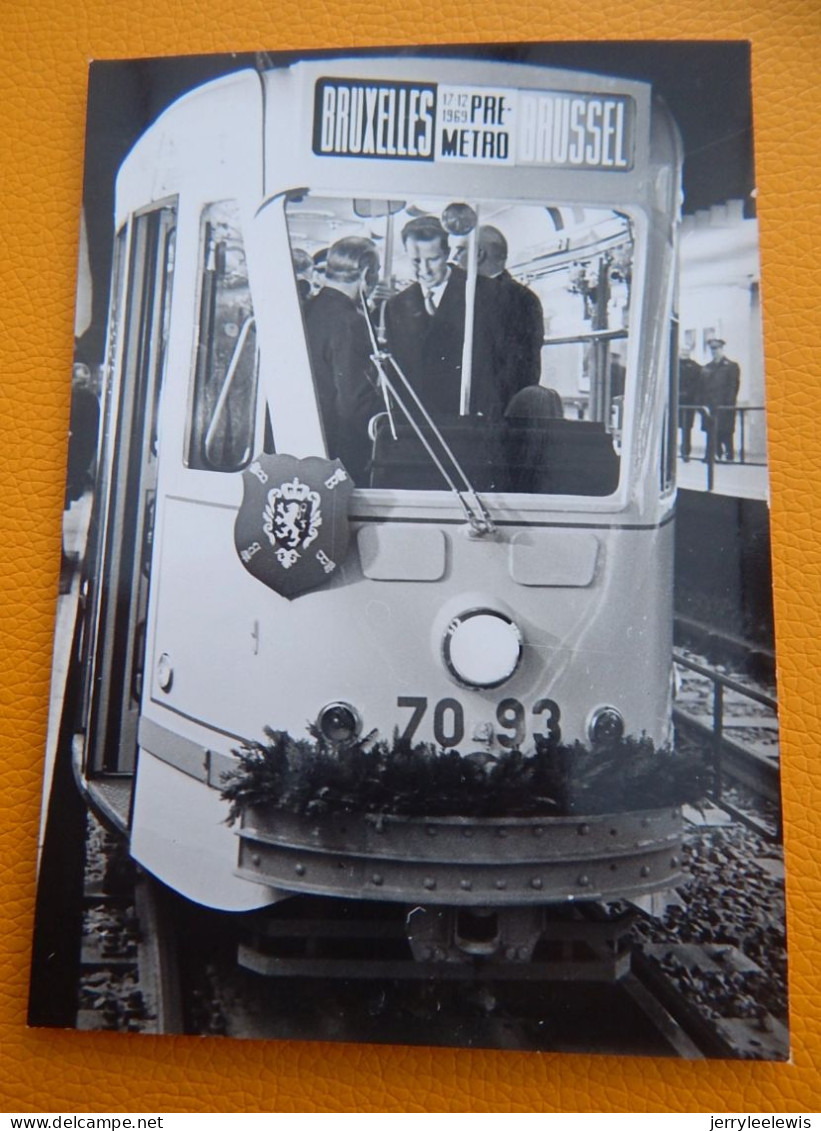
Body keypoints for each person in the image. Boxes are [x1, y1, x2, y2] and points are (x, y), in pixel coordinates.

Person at [383, 216, 504, 419]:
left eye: (432, 259)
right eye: (416, 260)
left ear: (447, 253)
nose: (424, 270)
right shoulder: (396, 306)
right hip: (419, 425)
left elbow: (499, 366)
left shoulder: (484, 294)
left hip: (469, 421)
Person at [302, 237, 382, 484]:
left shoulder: (308, 308)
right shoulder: (350, 322)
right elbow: (354, 404)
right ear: (367, 273)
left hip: (306, 443)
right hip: (337, 454)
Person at [477, 224, 544, 398]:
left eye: (460, 251)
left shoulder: (516, 300)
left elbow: (516, 365)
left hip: (493, 410)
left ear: (478, 254)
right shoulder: (527, 298)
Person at [701, 338, 741, 461]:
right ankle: (715, 455)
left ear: (722, 349)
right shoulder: (708, 367)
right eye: (712, 349)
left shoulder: (731, 366)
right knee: (712, 430)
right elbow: (703, 387)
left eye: (717, 348)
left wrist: (729, 404)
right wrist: (703, 404)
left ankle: (729, 455)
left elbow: (733, 386)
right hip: (711, 405)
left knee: (726, 431)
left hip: (725, 405)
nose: (715, 351)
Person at [678, 346, 702, 461]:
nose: (684, 353)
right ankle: (670, 452)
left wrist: (689, 395)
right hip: (675, 402)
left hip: (689, 402)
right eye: (683, 350)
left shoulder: (696, 367)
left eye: (686, 351)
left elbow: (698, 384)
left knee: (686, 429)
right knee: (670, 427)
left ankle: (685, 453)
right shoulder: (672, 365)